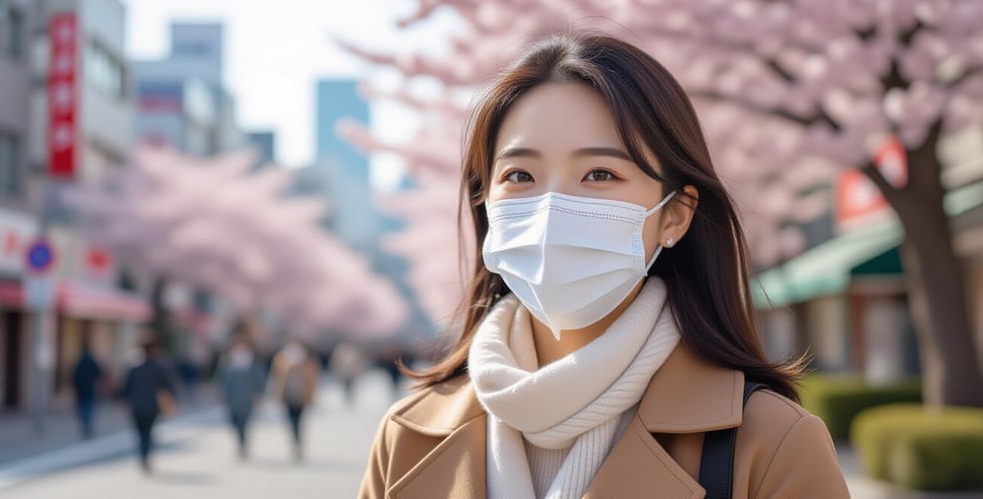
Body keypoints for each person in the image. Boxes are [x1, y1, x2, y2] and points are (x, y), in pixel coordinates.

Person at [358, 33, 850, 498]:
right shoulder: (405, 440)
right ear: (485, 202)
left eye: (599, 174)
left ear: (674, 216)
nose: (551, 209)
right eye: (520, 175)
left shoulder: (770, 444)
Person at [121, 336, 176, 474]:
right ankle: (145, 456)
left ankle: (143, 455)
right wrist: (173, 400)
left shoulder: (134, 366)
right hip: (152, 405)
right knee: (148, 432)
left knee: (140, 433)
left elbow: (126, 386)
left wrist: (122, 400)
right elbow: (167, 386)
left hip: (136, 405)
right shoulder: (158, 366)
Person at [270, 339, 319, 460]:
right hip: (288, 395)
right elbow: (276, 378)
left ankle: (299, 442)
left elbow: (313, 380)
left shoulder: (308, 361)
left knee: (299, 420)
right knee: (290, 420)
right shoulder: (282, 359)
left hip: (301, 395)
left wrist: (312, 396)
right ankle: (294, 441)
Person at [218, 335, 266, 460]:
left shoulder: (253, 362)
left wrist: (259, 395)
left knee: (244, 422)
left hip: (247, 399)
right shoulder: (227, 362)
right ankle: (240, 443)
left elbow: (259, 380)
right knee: (234, 422)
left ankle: (243, 445)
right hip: (232, 398)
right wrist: (221, 396)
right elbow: (221, 381)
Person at [72, 346, 104, 438]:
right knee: (88, 406)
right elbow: (99, 373)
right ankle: (87, 423)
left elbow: (74, 376)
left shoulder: (79, 363)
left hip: (80, 389)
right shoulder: (91, 362)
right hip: (89, 388)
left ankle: (85, 422)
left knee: (82, 407)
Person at [328, 341, 368, 405]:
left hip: (351, 372)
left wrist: (358, 370)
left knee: (351, 385)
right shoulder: (340, 349)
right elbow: (335, 361)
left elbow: (359, 361)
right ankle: (347, 398)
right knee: (345, 386)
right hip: (344, 373)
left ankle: (350, 397)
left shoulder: (354, 349)